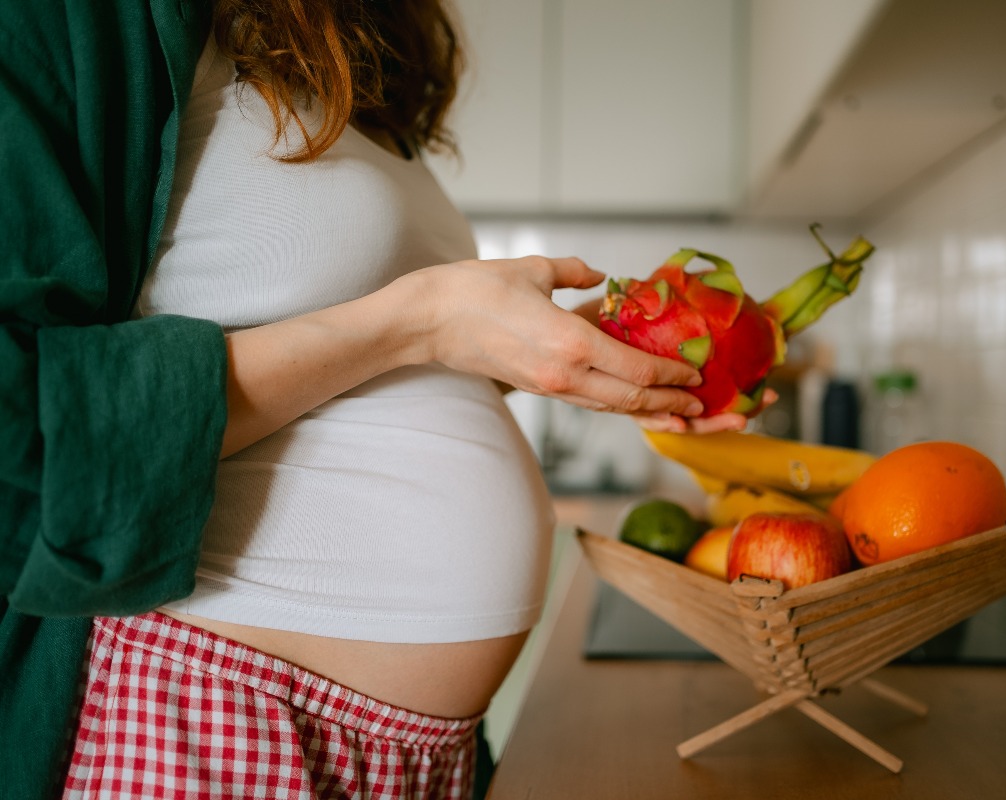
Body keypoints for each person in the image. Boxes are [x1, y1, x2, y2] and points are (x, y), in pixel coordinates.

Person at [0, 1, 755, 798]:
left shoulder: (332, 58)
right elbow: (24, 424)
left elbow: (357, 369)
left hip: (421, 755)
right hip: (219, 714)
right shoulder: (69, 20)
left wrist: (556, 353)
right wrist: (420, 322)